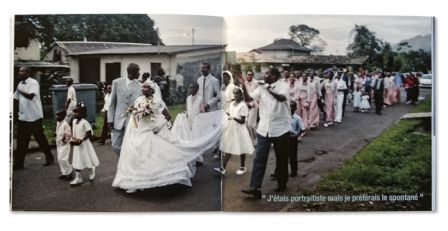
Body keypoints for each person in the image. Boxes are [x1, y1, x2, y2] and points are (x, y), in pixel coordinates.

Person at [112, 83, 222, 193]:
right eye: (142, 87)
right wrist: (135, 117)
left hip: (154, 130)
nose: (143, 89)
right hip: (140, 130)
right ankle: (136, 182)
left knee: (156, 153)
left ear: (151, 90)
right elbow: (135, 115)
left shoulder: (158, 101)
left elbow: (168, 116)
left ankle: (155, 180)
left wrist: (159, 126)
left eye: (146, 87)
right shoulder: (139, 100)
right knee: (137, 152)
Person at [241, 67, 291, 199]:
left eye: (267, 73)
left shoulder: (283, 86)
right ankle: (255, 188)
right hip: (264, 128)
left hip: (281, 128)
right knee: (259, 158)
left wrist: (268, 90)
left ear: (274, 76)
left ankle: (282, 182)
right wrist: (242, 85)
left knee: (281, 158)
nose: (264, 75)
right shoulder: (261, 88)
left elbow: (281, 98)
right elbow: (249, 98)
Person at [13, 66, 54, 170]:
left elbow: (30, 96)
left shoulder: (33, 82)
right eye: (19, 71)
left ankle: (49, 157)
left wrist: (19, 89)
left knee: (40, 139)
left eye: (22, 71)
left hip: (34, 117)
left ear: (27, 73)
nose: (19, 72)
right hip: (23, 117)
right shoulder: (20, 84)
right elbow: (16, 98)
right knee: (21, 141)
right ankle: (18, 164)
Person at [214, 87, 254, 175]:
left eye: (237, 93)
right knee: (228, 147)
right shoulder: (232, 104)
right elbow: (230, 113)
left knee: (242, 148)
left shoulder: (243, 106)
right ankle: (222, 168)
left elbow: (242, 121)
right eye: (234, 93)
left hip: (240, 129)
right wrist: (225, 113)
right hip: (231, 128)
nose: (235, 95)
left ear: (241, 95)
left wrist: (233, 117)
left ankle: (242, 167)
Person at [108, 63, 143, 155]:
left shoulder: (140, 85)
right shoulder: (117, 82)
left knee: (131, 145)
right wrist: (110, 119)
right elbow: (112, 103)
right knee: (115, 145)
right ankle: (125, 160)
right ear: (132, 72)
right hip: (118, 119)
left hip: (133, 120)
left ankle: (127, 166)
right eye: (138, 71)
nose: (139, 73)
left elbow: (141, 103)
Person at [69, 104, 99, 186]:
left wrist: (81, 139)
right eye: (74, 111)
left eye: (77, 112)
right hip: (77, 144)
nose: (74, 114)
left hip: (84, 145)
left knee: (86, 159)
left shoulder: (85, 122)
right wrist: (73, 139)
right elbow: (74, 131)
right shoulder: (74, 121)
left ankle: (91, 169)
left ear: (82, 113)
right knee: (77, 160)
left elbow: (89, 133)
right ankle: (78, 178)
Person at [288, 101, 305, 177]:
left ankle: (294, 171)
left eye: (292, 107)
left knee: (293, 156)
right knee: (283, 156)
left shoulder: (297, 118)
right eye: (289, 107)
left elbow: (302, 129)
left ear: (295, 108)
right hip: (285, 137)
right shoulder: (285, 116)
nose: (290, 108)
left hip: (293, 138)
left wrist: (296, 135)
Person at [55, 110, 73, 180]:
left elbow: (68, 135)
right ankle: (64, 173)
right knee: (59, 159)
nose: (56, 117)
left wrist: (62, 142)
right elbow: (57, 131)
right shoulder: (58, 123)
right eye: (56, 115)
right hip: (58, 144)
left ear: (63, 116)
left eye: (58, 115)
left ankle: (70, 171)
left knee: (62, 158)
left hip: (65, 144)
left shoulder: (66, 125)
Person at [244, 70, 259, 144]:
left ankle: (255, 137)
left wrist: (254, 103)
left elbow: (258, 95)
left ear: (253, 76)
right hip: (245, 105)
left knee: (251, 124)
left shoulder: (256, 83)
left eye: (251, 75)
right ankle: (250, 139)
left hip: (253, 104)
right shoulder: (243, 83)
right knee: (246, 124)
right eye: (248, 75)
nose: (249, 76)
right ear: (246, 75)